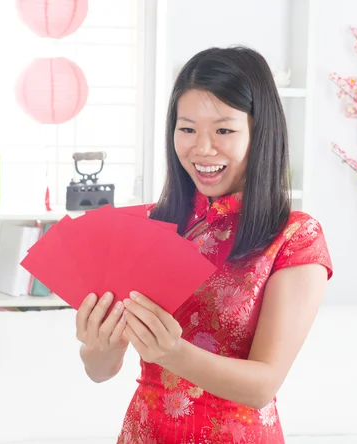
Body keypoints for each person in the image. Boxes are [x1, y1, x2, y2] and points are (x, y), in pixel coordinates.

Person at [75, 46, 333, 443]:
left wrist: (172, 352)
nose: (202, 148)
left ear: (259, 131)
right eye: (188, 128)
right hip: (145, 432)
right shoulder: (150, 225)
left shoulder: (295, 237)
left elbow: (263, 384)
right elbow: (100, 371)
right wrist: (99, 344)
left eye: (224, 130)